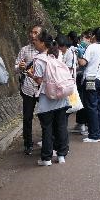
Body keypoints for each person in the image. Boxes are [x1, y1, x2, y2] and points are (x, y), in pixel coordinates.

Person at [29, 31, 70, 166]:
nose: (34, 42)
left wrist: (31, 75)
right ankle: (62, 155)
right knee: (61, 126)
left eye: (36, 41)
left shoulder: (39, 60)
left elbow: (40, 81)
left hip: (47, 99)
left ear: (42, 43)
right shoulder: (58, 55)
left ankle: (46, 158)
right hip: (61, 96)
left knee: (47, 128)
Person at [15, 25, 42, 155]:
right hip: (28, 87)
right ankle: (28, 143)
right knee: (27, 117)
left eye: (35, 32)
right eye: (31, 32)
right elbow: (15, 68)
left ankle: (47, 140)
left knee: (45, 116)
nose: (32, 35)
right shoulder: (24, 50)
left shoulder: (45, 50)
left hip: (42, 88)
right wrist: (19, 66)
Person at [70, 30, 93, 135]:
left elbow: (82, 63)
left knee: (83, 100)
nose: (84, 40)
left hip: (84, 78)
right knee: (88, 100)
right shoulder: (96, 48)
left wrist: (79, 56)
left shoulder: (86, 49)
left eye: (87, 38)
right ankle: (85, 124)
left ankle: (83, 124)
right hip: (90, 78)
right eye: (84, 38)